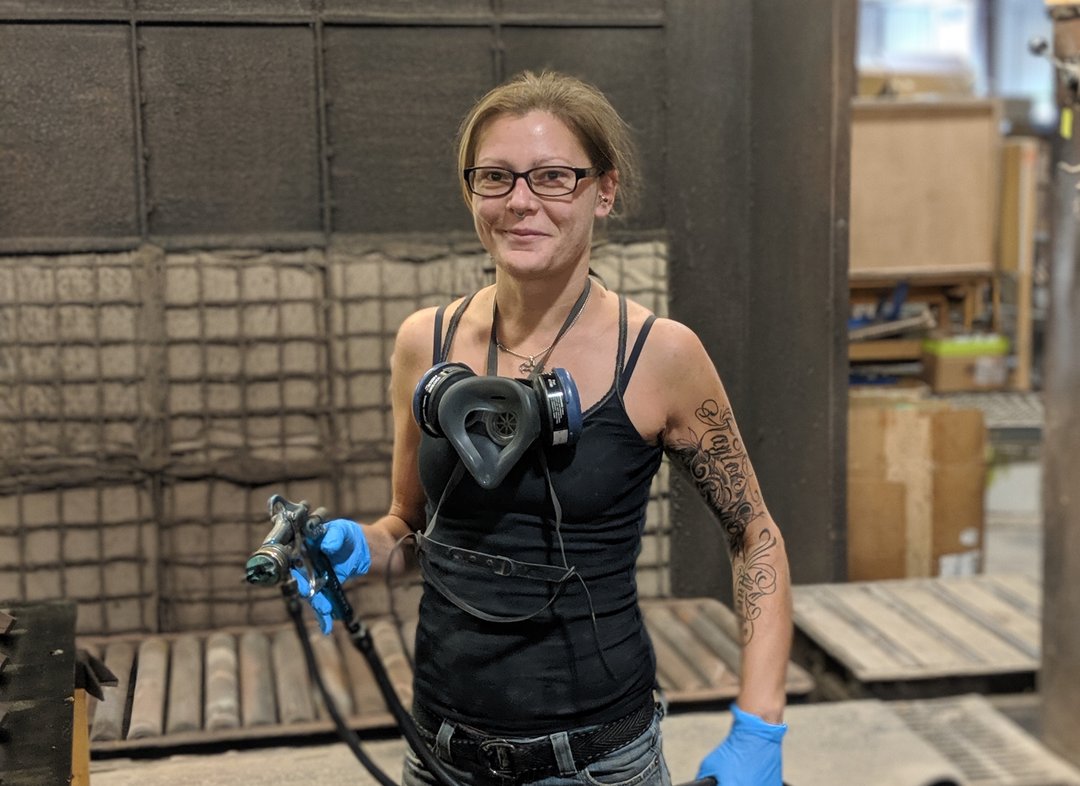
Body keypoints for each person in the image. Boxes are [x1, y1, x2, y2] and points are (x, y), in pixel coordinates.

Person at [297, 70, 793, 786]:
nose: (520, 201)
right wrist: (358, 547)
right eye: (495, 177)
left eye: (554, 177)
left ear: (604, 190)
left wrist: (760, 724)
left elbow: (754, 534)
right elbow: (408, 528)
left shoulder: (660, 356)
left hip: (596, 762)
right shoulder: (423, 344)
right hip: (439, 752)